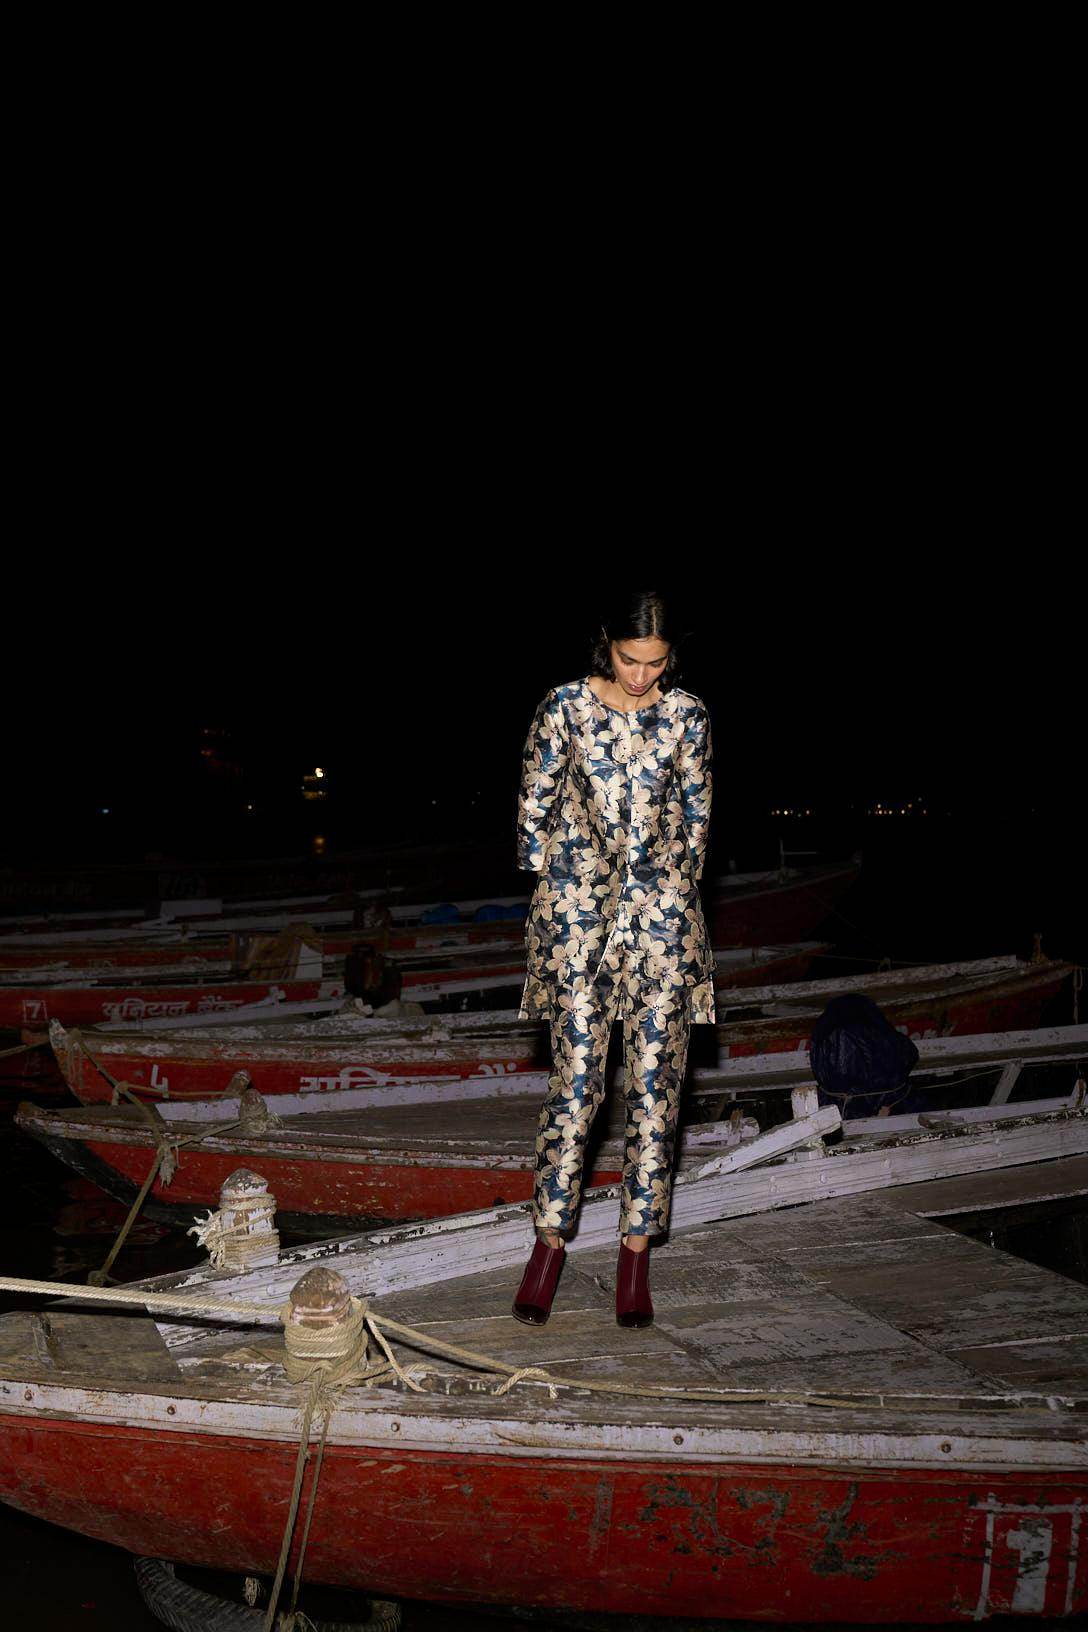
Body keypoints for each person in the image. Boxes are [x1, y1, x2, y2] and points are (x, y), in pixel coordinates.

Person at [510, 590, 715, 1330]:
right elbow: (533, 813)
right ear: (608, 645)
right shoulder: (564, 707)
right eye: (630, 659)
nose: (640, 675)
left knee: (657, 1090)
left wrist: (671, 897)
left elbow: (696, 823)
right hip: (578, 925)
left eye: (655, 663)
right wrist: (564, 888)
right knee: (576, 1086)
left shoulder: (688, 716)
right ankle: (547, 1247)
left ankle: (635, 1254)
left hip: (662, 927)